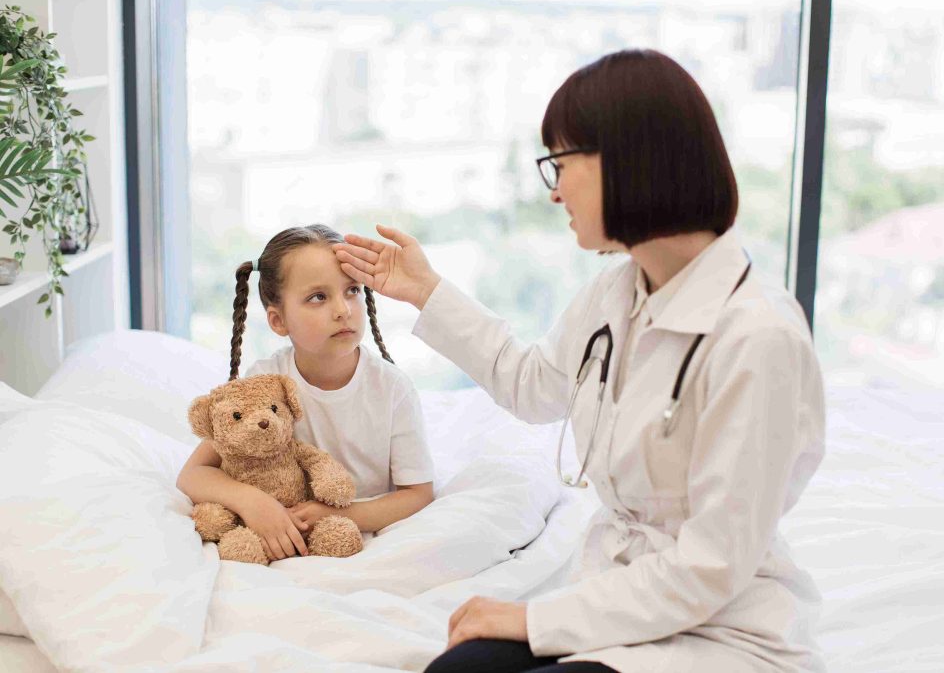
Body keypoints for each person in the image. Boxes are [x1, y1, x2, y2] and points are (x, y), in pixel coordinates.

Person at [335, 49, 826, 673]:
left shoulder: (758, 338)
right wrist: (426, 292)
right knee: (457, 670)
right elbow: (533, 386)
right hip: (619, 599)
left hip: (723, 632)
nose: (554, 190)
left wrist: (534, 619)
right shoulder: (617, 291)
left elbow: (712, 568)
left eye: (559, 164)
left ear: (628, 160)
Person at [177, 224, 435, 562]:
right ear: (278, 321)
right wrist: (254, 503)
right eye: (318, 297)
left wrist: (342, 515)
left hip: (354, 533)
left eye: (352, 290)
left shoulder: (392, 388)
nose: (342, 309)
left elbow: (417, 494)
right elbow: (192, 474)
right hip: (284, 527)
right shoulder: (267, 381)